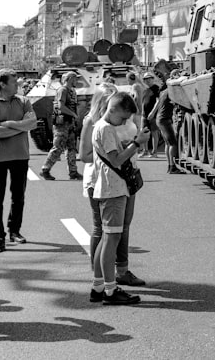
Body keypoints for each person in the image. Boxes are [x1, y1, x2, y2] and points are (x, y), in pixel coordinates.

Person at [79, 84, 145, 289]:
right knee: (105, 231)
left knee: (120, 229)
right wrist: (124, 148)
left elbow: (136, 118)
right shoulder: (97, 123)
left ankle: (116, 273)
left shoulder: (115, 121)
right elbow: (86, 156)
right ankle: (101, 278)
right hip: (104, 180)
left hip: (123, 179)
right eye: (109, 98)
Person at [0, 69, 38, 253]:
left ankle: (14, 230)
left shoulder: (23, 101)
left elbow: (33, 123)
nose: (18, 85)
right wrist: (21, 127)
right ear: (3, 85)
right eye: (14, 82)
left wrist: (8, 124)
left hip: (20, 155)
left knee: (18, 197)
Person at [40, 71, 81, 180]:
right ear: (71, 79)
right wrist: (73, 114)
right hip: (62, 123)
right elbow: (61, 106)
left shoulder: (72, 91)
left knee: (71, 148)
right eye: (75, 79)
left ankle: (73, 171)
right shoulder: (62, 90)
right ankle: (45, 169)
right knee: (58, 147)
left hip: (70, 122)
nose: (76, 81)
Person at [147, 74, 182, 174]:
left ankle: (170, 166)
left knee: (168, 143)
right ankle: (172, 167)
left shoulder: (163, 92)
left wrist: (152, 113)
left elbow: (158, 103)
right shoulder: (171, 92)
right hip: (165, 119)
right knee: (173, 143)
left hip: (160, 119)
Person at [140, 73, 160, 157]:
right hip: (144, 115)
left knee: (154, 133)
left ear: (153, 79)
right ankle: (145, 150)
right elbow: (143, 102)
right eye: (145, 79)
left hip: (153, 115)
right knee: (144, 132)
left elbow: (158, 101)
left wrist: (153, 112)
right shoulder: (145, 90)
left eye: (149, 78)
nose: (147, 80)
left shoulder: (156, 89)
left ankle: (154, 152)